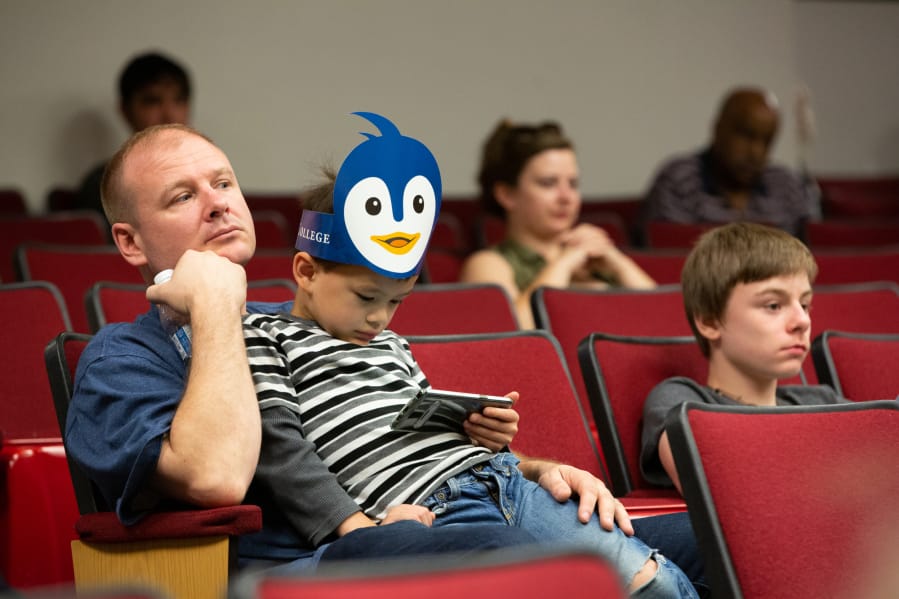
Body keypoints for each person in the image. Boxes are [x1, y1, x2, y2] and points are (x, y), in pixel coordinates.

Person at [241, 112, 699, 598]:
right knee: (646, 587)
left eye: (396, 301)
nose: (380, 319)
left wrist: (482, 435)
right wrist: (355, 527)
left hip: (503, 482)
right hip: (430, 508)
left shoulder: (391, 345)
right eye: (365, 298)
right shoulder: (264, 333)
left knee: (655, 581)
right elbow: (280, 444)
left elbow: (421, 427)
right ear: (307, 271)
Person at [63, 122, 544, 575]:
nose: (217, 205)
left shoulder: (313, 320)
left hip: (392, 528)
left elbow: (396, 438)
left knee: (600, 534)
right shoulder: (119, 360)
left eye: (224, 184)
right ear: (130, 242)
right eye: (183, 196)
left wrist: (537, 472)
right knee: (513, 556)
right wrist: (213, 304)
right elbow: (217, 477)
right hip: (280, 570)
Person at [640, 222, 848, 494]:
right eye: (773, 305)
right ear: (710, 321)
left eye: (805, 304)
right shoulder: (681, 401)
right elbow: (719, 486)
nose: (802, 320)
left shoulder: (822, 401)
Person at [459, 119, 656, 329]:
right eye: (548, 183)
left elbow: (670, 321)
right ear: (506, 194)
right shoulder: (487, 263)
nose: (566, 197)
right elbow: (512, 333)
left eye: (573, 184)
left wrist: (619, 264)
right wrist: (565, 263)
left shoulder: (596, 259)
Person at [640, 87, 820, 239]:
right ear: (718, 128)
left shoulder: (786, 185)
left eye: (766, 141)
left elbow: (810, 257)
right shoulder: (679, 180)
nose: (755, 152)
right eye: (746, 136)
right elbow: (670, 259)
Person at [74, 51, 192, 219]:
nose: (169, 115)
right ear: (126, 110)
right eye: (153, 101)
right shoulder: (105, 184)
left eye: (179, 100)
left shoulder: (210, 175)